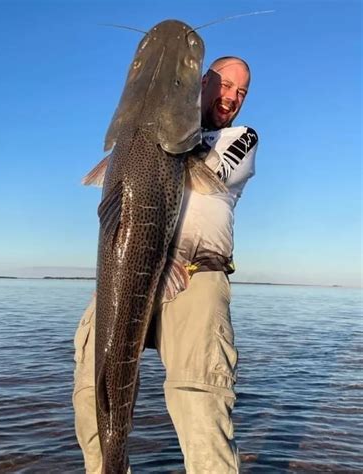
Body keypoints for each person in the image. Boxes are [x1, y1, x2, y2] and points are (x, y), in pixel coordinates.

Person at [73, 56, 259, 474]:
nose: (231, 97)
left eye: (241, 92)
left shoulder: (240, 138)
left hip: (197, 275)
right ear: (201, 82)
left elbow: (203, 171)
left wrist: (169, 123)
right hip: (127, 269)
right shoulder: (148, 132)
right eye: (224, 85)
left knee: (199, 400)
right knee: (92, 391)